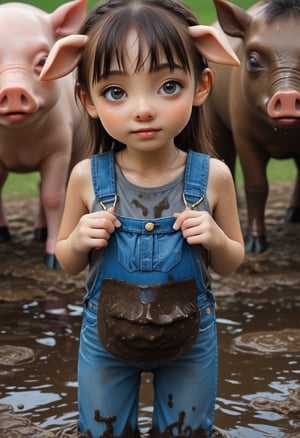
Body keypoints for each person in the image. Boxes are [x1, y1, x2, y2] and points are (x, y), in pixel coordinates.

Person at [40, 0, 244, 437]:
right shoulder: (86, 178)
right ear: (87, 101)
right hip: (105, 340)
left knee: (188, 431)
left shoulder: (213, 176)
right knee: (101, 430)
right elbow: (67, 260)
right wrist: (78, 238)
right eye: (117, 92)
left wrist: (216, 239)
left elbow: (231, 262)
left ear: (202, 86)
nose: (144, 109)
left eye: (168, 86)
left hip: (191, 339)